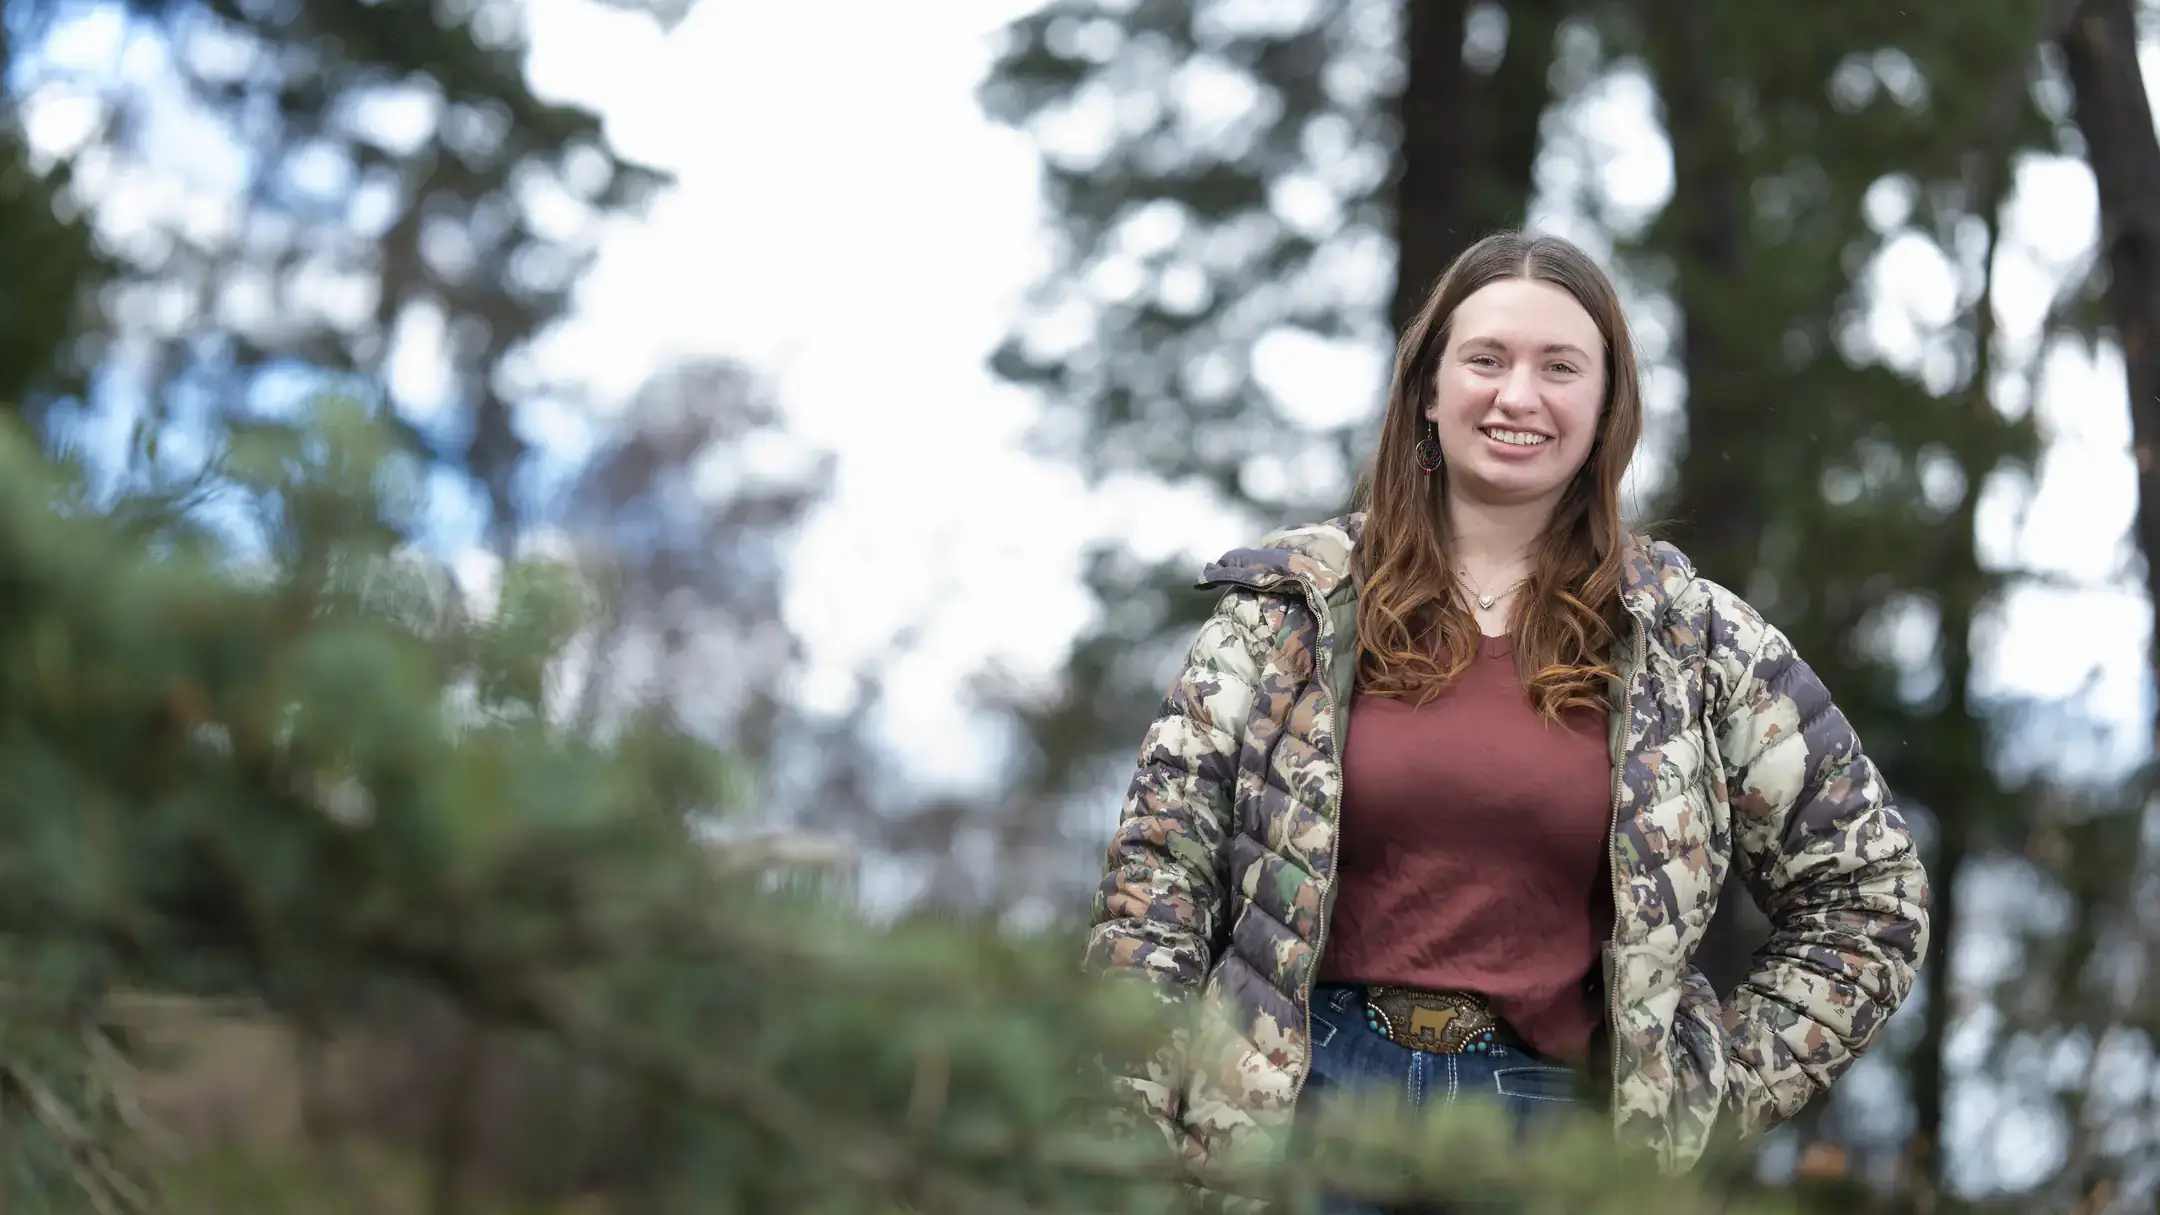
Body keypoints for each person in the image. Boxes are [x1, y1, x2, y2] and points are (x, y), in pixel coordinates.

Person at [1082, 230, 1930, 1212]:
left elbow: (1872, 895)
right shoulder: (1289, 614)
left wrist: (1697, 1096)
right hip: (1301, 1118)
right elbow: (1158, 880)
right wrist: (1129, 1127)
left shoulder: (1695, 643)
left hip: (1550, 1139)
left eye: (1559, 367)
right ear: (1428, 390)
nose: (1517, 396)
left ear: (1608, 406)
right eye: (1485, 360)